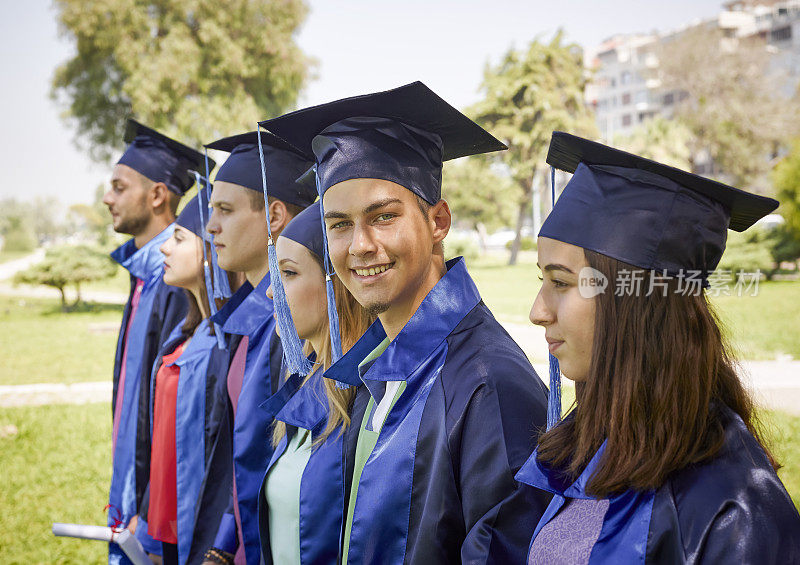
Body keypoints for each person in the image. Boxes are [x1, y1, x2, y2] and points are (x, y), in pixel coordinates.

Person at [262, 81, 551, 564]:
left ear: (438, 221)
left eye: (383, 217)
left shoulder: (488, 383)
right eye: (339, 225)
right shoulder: (373, 368)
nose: (360, 246)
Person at [517, 131, 800, 563]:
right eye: (543, 280)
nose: (538, 311)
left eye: (561, 282)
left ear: (637, 303)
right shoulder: (599, 442)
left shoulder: (734, 512)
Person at [202, 131, 316, 565]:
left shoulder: (294, 325)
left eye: (225, 211)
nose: (210, 225)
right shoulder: (251, 317)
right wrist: (224, 542)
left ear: (274, 215)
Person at [105, 119, 213, 563]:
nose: (107, 198)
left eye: (118, 186)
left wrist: (146, 507)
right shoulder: (145, 275)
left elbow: (168, 406)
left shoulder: (173, 280)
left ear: (156, 196)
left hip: (156, 514)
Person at [257, 201, 373, 564]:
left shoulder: (372, 398)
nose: (271, 292)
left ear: (335, 287)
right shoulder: (307, 384)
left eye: (288, 274)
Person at [131, 195, 234, 565]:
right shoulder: (187, 329)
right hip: (162, 524)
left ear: (209, 250)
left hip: (198, 529)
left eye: (178, 238)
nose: (165, 248)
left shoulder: (230, 343)